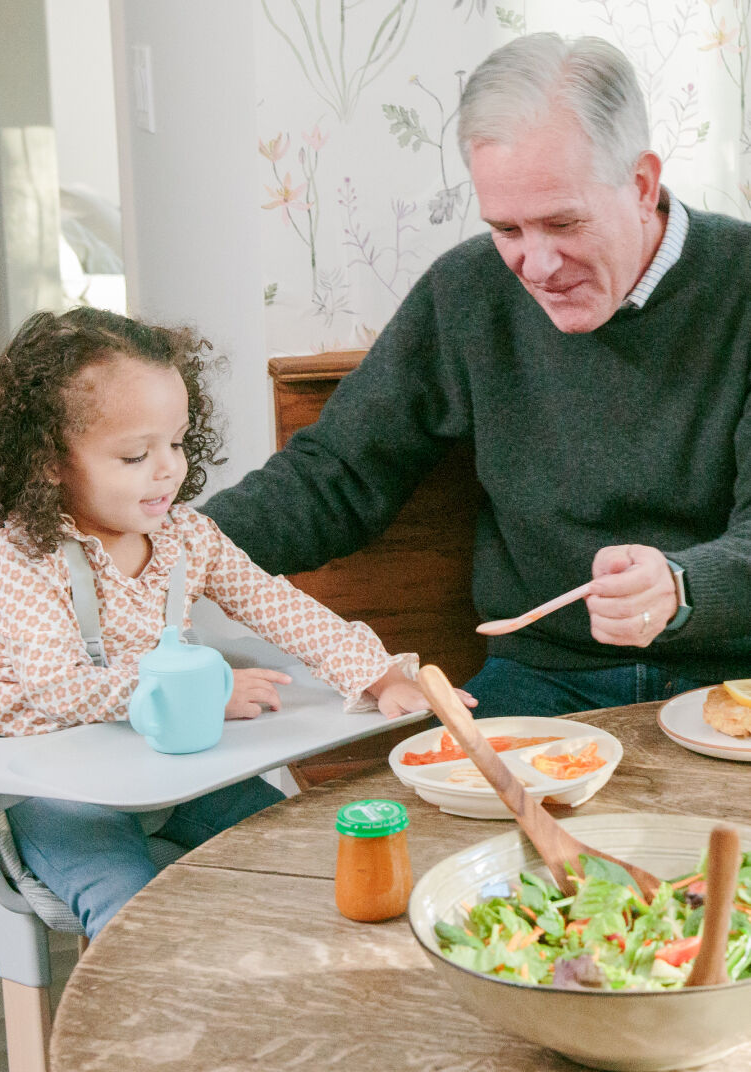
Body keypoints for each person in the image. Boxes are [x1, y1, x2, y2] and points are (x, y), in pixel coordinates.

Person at [204, 32, 751, 719]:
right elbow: (338, 475)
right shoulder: (467, 290)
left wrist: (682, 588)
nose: (537, 266)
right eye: (508, 229)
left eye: (563, 222)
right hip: (543, 678)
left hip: (731, 676)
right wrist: (173, 548)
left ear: (641, 185)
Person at [0, 306, 470, 938]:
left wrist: (376, 675)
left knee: (301, 848)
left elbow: (279, 606)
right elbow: (57, 686)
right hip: (51, 778)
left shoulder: (187, 535)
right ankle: (149, 1033)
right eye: (136, 455)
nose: (168, 470)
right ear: (48, 460)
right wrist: (205, 691)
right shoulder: (25, 552)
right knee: (128, 913)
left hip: (164, 760)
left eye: (177, 442)